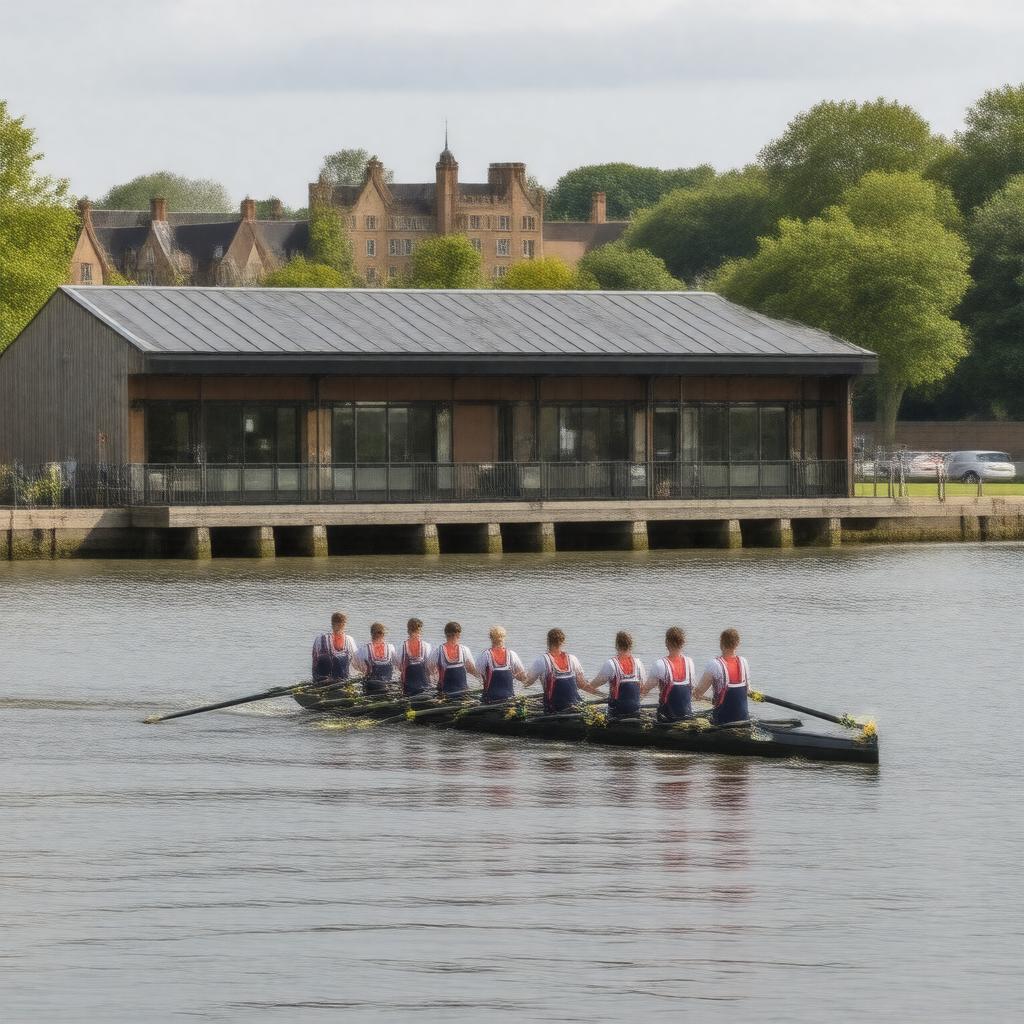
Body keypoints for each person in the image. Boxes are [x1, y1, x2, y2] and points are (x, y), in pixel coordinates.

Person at [522, 628, 593, 713]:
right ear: (563, 642)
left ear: (548, 641)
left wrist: (519, 679)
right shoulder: (573, 659)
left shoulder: (541, 660)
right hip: (575, 705)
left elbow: (528, 682)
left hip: (554, 708)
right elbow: (581, 684)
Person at [693, 628, 751, 725]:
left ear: (721, 643)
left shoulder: (714, 664)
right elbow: (748, 691)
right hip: (744, 720)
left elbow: (698, 693)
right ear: (738, 644)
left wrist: (692, 692)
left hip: (722, 722)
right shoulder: (743, 662)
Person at [590, 631, 647, 719]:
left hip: (616, 712)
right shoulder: (638, 663)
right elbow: (644, 690)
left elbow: (592, 686)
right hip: (635, 711)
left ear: (616, 645)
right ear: (631, 646)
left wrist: (603, 696)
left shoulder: (611, 664)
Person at [644, 626, 696, 722]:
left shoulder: (659, 664)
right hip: (687, 715)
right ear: (683, 643)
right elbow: (691, 688)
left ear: (666, 643)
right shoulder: (690, 662)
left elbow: (645, 689)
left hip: (666, 718)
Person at [477, 626, 527, 704]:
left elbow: (478, 674)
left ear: (491, 638)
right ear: (504, 638)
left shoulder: (485, 655)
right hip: (509, 698)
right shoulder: (512, 654)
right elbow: (523, 677)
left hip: (490, 699)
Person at [434, 621, 481, 698]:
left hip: (444, 692)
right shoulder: (465, 650)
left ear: (445, 634)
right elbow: (471, 669)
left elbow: (429, 670)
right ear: (459, 635)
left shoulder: (438, 650)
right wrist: (482, 679)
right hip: (462, 691)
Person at [311, 612, 358, 685]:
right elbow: (355, 662)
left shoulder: (319, 638)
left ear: (332, 623)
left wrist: (314, 678)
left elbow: (314, 659)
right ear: (344, 624)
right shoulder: (349, 640)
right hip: (341, 680)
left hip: (321, 679)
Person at [393, 617, 434, 697]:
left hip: (408, 686)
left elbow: (400, 668)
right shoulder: (426, 646)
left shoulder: (401, 647)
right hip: (424, 685)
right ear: (420, 630)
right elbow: (429, 669)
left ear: (408, 631)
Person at [355, 622, 397, 696]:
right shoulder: (391, 647)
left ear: (371, 634)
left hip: (371, 686)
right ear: (383, 634)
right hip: (386, 685)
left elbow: (355, 664)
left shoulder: (364, 649)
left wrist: (364, 671)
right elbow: (397, 665)